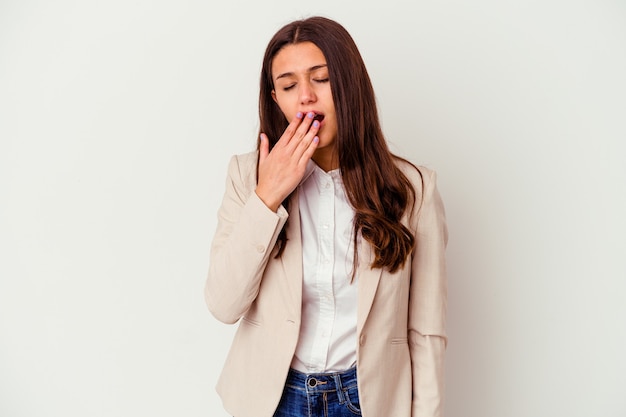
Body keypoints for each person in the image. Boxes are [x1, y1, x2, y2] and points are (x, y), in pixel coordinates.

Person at [205, 16, 448, 417]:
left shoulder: (414, 188)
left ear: (349, 86)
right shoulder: (247, 176)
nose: (305, 97)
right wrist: (268, 196)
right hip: (274, 399)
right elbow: (223, 304)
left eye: (321, 78)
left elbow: (426, 331)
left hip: (367, 400)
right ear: (276, 99)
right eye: (288, 85)